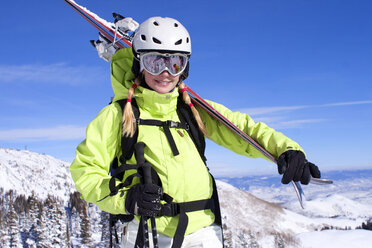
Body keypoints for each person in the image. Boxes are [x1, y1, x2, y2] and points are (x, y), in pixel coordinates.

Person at [70, 16, 321, 248]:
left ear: (184, 68)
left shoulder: (190, 109)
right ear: (139, 64)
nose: (166, 73)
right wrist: (127, 199)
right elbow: (85, 172)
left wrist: (286, 149)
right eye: (154, 62)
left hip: (204, 232)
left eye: (175, 62)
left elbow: (241, 128)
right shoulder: (118, 115)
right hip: (147, 233)